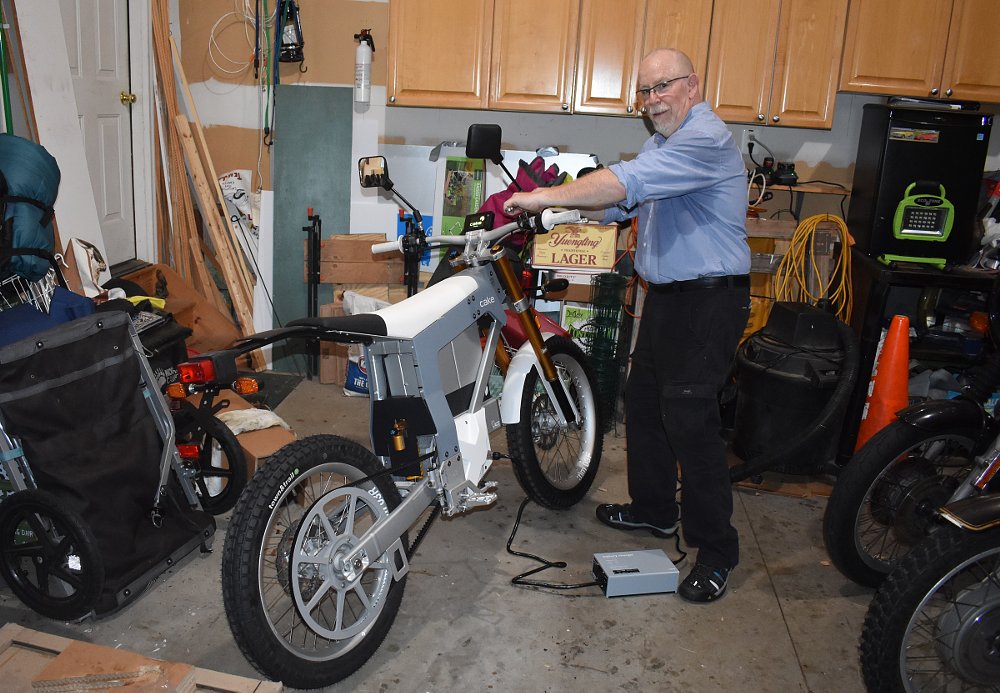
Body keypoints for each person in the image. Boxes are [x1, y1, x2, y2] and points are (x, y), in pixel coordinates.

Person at [505, 48, 750, 603]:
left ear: (693, 84)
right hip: (666, 297)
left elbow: (625, 184)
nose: (651, 100)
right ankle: (655, 511)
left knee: (690, 420)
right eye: (644, 92)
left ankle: (716, 551)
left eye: (661, 87)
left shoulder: (704, 140)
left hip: (708, 302)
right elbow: (621, 204)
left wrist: (545, 195)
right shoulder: (662, 143)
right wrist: (566, 211)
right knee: (644, 405)